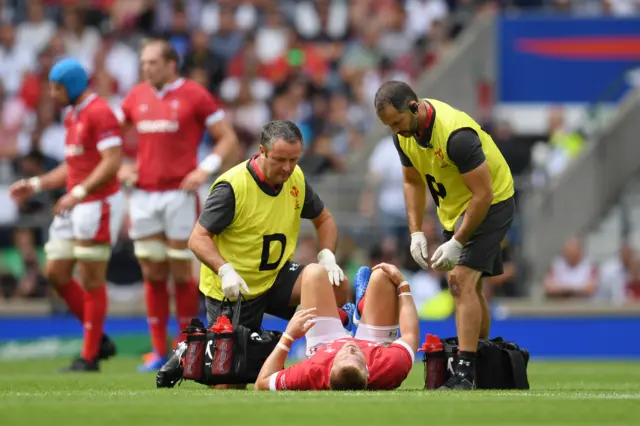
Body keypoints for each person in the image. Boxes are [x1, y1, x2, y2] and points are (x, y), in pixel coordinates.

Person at [186, 120, 352, 388]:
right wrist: (224, 270)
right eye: (280, 160)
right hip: (234, 289)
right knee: (229, 382)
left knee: (334, 283)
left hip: (274, 278)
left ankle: (326, 356)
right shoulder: (232, 187)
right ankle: (187, 357)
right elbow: (197, 239)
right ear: (261, 151)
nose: (287, 168)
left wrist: (326, 256)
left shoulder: (295, 177)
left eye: (294, 159)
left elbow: (324, 219)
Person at [374, 81, 515, 390]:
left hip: (492, 203)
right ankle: (484, 361)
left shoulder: (456, 136)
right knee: (471, 287)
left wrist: (458, 241)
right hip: (455, 208)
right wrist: (415, 232)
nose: (395, 131)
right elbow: (412, 181)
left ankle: (465, 372)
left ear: (414, 107)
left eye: (397, 122)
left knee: (460, 280)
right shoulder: (404, 136)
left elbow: (483, 194)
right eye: (389, 126)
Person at [116, 39, 240, 371]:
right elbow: (109, 137)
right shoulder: (136, 97)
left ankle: (183, 346)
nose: (146, 69)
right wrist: (118, 166)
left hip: (179, 196)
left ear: (172, 65)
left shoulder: (195, 94)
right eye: (143, 63)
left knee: (181, 273)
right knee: (152, 272)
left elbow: (227, 137)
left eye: (152, 62)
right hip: (142, 195)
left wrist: (204, 169)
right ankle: (157, 350)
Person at [9, 58, 125, 372]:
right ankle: (98, 338)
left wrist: (79, 193)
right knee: (56, 273)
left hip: (97, 203)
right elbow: (73, 166)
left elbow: (112, 161)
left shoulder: (100, 112)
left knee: (90, 280)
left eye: (57, 87)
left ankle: (89, 356)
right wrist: (36, 184)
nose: (52, 92)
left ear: (73, 85)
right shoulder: (73, 114)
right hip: (75, 201)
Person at [254, 263, 419, 391]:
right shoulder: (390, 366)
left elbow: (261, 384)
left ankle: (344, 318)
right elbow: (410, 334)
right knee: (384, 275)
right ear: (368, 373)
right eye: (355, 356)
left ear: (329, 368)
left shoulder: (313, 371)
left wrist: (288, 336)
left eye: (343, 356)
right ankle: (361, 309)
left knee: (313, 272)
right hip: (375, 344)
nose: (349, 348)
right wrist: (404, 285)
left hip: (325, 345)